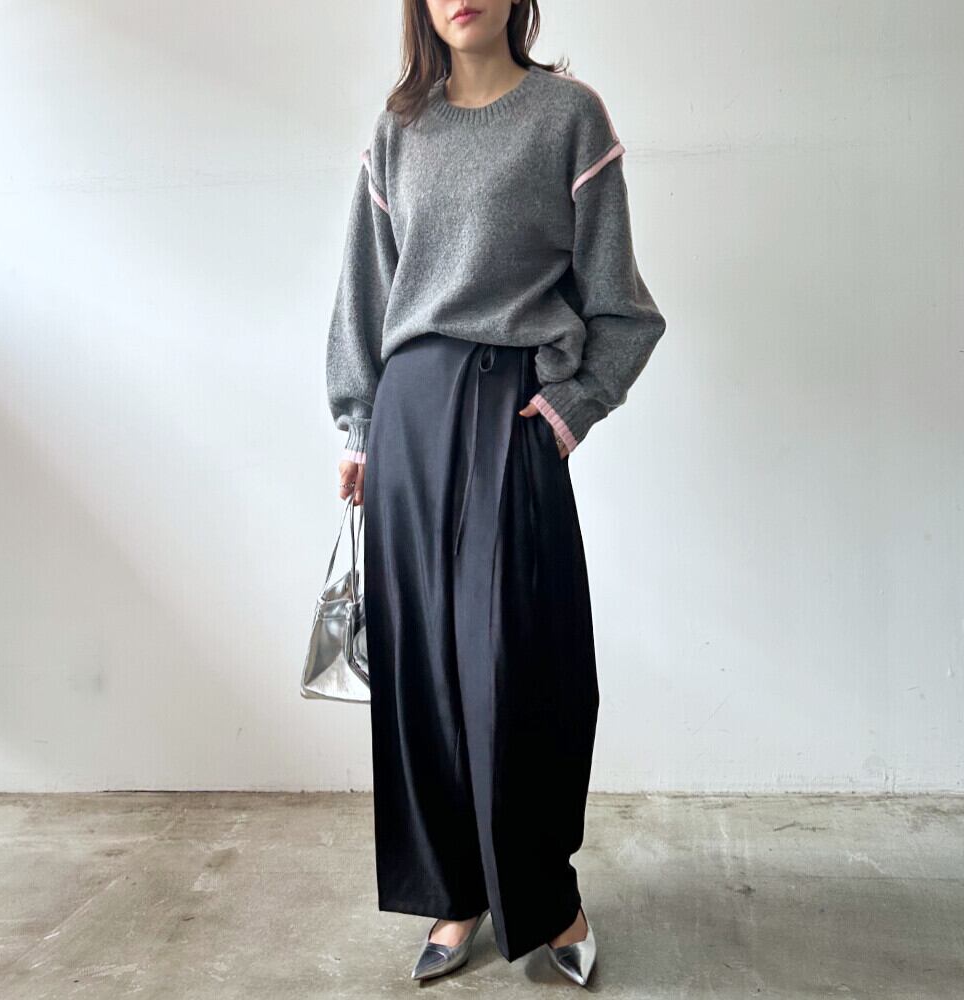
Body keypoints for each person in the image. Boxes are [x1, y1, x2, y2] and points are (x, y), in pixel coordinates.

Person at [324, 0, 665, 986]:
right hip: (409, 415)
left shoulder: (568, 117)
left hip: (511, 411)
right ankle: (454, 891)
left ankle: (547, 894)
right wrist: (359, 426)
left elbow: (623, 309)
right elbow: (363, 295)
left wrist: (568, 410)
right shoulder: (400, 130)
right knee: (424, 669)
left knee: (525, 663)